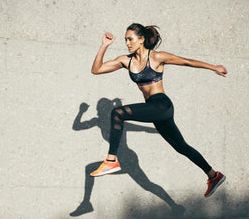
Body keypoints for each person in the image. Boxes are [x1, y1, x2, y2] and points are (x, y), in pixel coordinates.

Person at [90, 23, 227, 197]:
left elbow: (187, 61)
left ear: (141, 39)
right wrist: (104, 46)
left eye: (130, 39)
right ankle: (214, 175)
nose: (127, 43)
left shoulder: (157, 57)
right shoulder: (126, 60)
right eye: (125, 39)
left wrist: (214, 67)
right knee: (181, 147)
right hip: (153, 110)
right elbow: (96, 70)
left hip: (162, 105)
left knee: (118, 113)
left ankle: (111, 160)